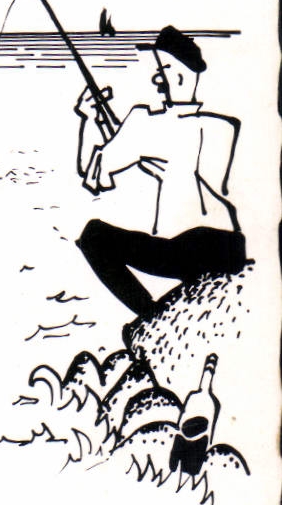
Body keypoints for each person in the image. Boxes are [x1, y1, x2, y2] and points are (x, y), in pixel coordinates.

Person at [73, 26, 245, 326]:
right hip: (229, 246)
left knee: (93, 236)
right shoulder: (223, 126)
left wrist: (89, 119)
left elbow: (93, 173)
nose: (156, 79)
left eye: (161, 70)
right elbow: (196, 173)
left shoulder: (145, 123)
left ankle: (152, 316)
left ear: (178, 76)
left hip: (184, 250)